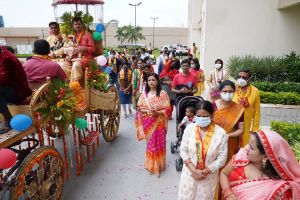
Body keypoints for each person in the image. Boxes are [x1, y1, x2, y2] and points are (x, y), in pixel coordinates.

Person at [220, 130, 300, 200]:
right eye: (248, 144)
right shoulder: (241, 157)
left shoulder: (276, 186)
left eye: (251, 148)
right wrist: (228, 193)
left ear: (265, 155)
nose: (246, 148)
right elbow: (223, 173)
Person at [178, 100, 228, 200]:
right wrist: (193, 170)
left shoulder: (221, 133)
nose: (201, 118)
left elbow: (222, 158)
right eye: (198, 116)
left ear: (212, 116)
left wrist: (206, 171)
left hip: (208, 177)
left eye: (204, 116)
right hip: (189, 173)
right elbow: (183, 150)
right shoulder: (189, 128)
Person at [135, 73, 171, 177]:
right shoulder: (144, 94)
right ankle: (151, 165)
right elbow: (139, 107)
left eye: (153, 80)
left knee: (159, 143)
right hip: (148, 122)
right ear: (147, 82)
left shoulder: (163, 94)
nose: (151, 82)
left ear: (157, 81)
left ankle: (159, 166)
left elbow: (168, 110)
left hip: (159, 122)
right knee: (150, 143)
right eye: (149, 80)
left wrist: (158, 113)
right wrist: (146, 111)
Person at [0, 46, 32, 134]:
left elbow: (3, 79)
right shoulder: (3, 53)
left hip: (18, 92)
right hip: (9, 89)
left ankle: (8, 119)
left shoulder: (6, 58)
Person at [212, 80, 244, 162]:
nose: (227, 93)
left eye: (230, 91)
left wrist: (227, 136)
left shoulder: (239, 109)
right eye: (225, 91)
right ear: (220, 92)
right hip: (212, 141)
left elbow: (241, 129)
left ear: (234, 92)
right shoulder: (212, 106)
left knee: (226, 167)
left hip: (230, 142)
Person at [233, 69, 260, 147]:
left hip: (247, 127)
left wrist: (254, 130)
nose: (241, 79)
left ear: (249, 79)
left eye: (244, 77)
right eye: (239, 77)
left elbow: (257, 112)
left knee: (244, 149)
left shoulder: (255, 91)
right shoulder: (233, 88)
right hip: (233, 125)